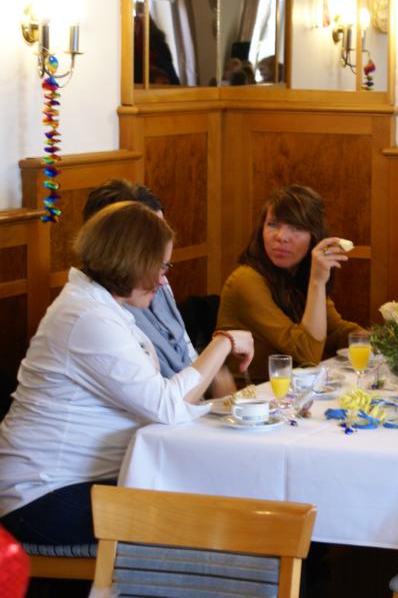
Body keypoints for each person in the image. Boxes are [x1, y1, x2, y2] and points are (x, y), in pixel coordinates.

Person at [0, 202, 254, 545]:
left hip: (82, 481)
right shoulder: (87, 316)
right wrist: (223, 342)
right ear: (130, 261)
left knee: (221, 492)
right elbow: (168, 406)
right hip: (42, 495)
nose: (163, 279)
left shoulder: (103, 307)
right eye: (160, 266)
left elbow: (163, 400)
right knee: (202, 520)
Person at [82, 179, 235, 398]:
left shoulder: (157, 281)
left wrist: (212, 376)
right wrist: (222, 345)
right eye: (151, 240)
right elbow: (162, 404)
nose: (161, 276)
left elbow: (186, 351)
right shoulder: (100, 313)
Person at [217, 185, 364, 382]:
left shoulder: (298, 273)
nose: (281, 237)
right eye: (272, 225)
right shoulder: (245, 280)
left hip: (293, 391)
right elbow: (307, 354)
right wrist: (317, 282)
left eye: (296, 228)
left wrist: (383, 342)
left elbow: (335, 330)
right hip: (252, 396)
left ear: (315, 237)